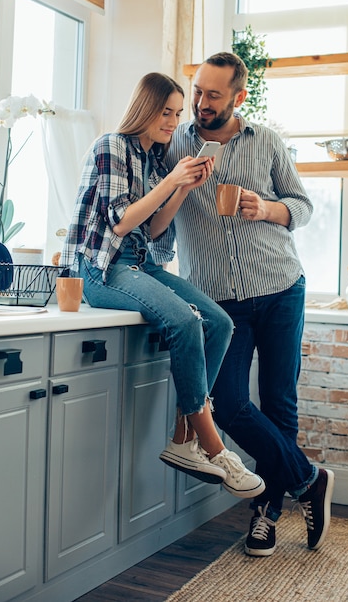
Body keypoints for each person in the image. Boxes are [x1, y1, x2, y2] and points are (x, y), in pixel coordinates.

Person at [151, 53, 334, 556]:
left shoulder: (267, 141)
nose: (200, 104)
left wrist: (267, 208)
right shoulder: (176, 147)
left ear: (238, 97)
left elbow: (302, 205)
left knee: (279, 404)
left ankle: (268, 513)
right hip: (220, 302)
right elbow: (156, 232)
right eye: (197, 92)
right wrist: (178, 184)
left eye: (213, 94)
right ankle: (308, 479)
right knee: (227, 405)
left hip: (279, 288)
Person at [59, 72, 265, 500]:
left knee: (220, 323)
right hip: (99, 267)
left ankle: (181, 436)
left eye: (176, 113)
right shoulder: (110, 146)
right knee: (186, 324)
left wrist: (184, 187)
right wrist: (173, 181)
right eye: (165, 112)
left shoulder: (156, 159)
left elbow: (153, 231)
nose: (173, 121)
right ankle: (212, 446)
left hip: (137, 263)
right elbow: (120, 221)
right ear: (145, 109)